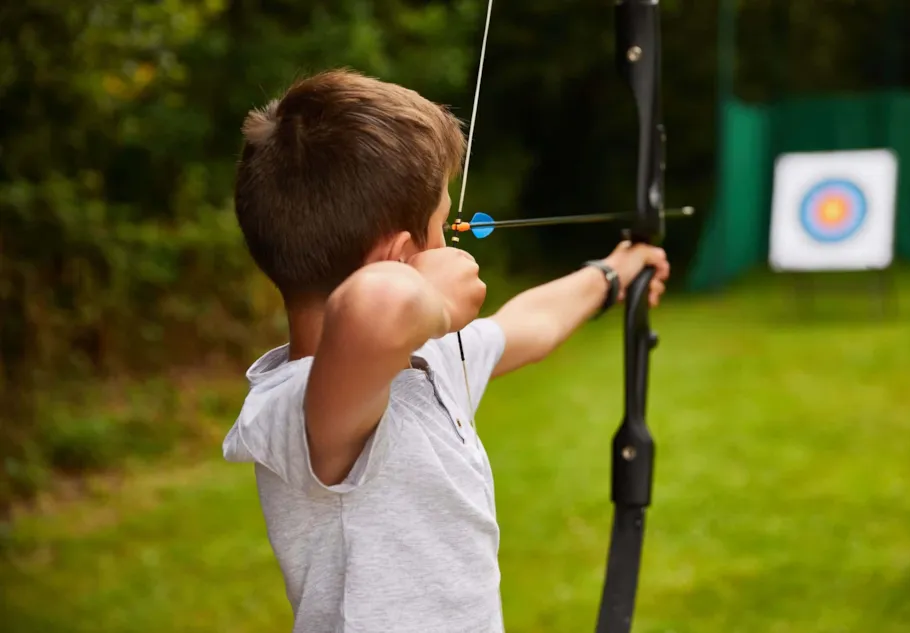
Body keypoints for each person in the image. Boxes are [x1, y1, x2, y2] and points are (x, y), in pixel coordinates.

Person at [222, 68, 670, 633]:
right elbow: (374, 307)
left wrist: (612, 275)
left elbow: (524, 326)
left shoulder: (424, 362)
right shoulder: (310, 408)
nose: (452, 241)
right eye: (443, 222)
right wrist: (430, 294)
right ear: (400, 257)